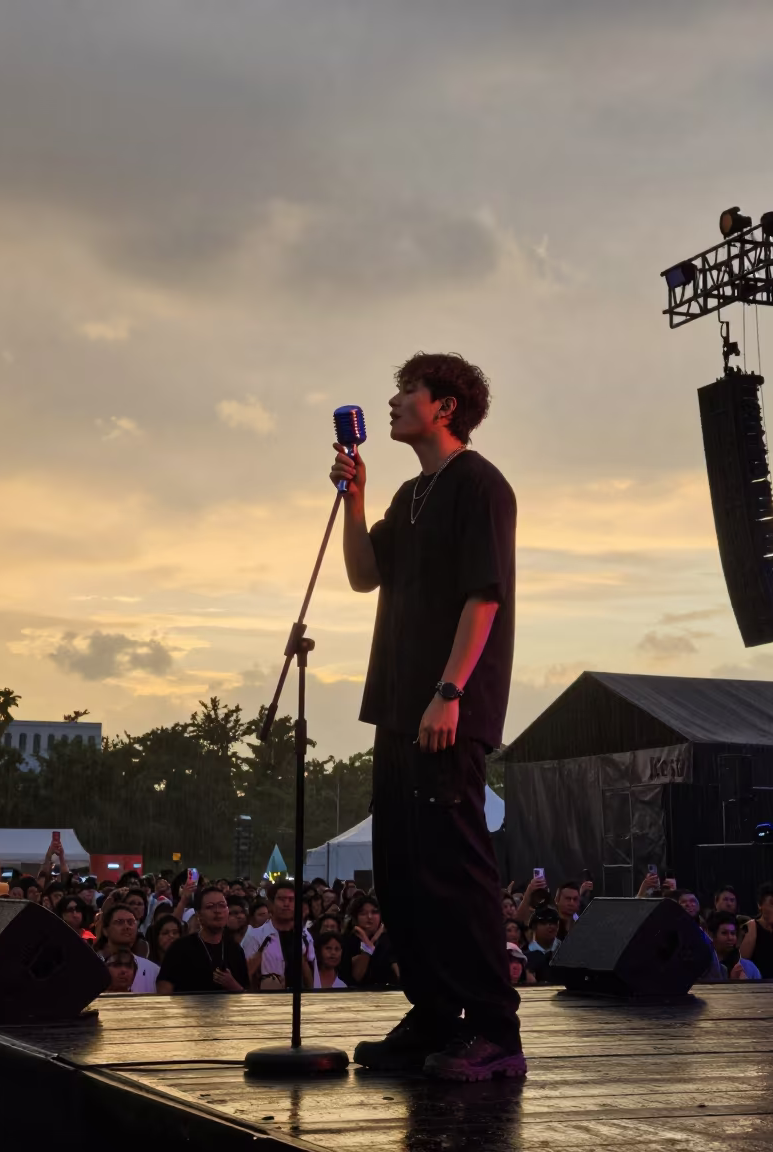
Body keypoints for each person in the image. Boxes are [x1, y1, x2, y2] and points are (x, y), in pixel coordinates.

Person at [333, 351, 524, 1081]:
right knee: (404, 869)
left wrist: (449, 692)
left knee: (454, 868)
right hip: (396, 706)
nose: (393, 402)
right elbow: (361, 574)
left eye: (406, 391)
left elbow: (486, 596)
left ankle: (495, 1030)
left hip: (446, 706)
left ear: (445, 406)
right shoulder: (411, 494)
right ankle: (436, 1012)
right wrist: (355, 500)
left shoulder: (479, 485)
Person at [156, 886, 248, 994]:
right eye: (210, 907)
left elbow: (245, 993)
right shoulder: (180, 948)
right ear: (199, 915)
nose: (217, 911)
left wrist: (232, 985)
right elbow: (164, 989)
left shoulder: (235, 950)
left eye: (222, 906)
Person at [242, 880, 316, 991]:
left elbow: (312, 976)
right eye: (281, 899)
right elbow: (244, 976)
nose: (286, 904)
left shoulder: (305, 937)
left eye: (291, 900)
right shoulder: (255, 936)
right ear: (271, 904)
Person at [96, 905, 161, 993]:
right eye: (119, 922)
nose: (127, 927)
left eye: (131, 922)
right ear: (105, 931)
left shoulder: (153, 970)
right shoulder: (92, 966)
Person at [340, 895, 398, 987]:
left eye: (374, 912)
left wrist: (374, 939)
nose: (370, 917)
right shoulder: (347, 941)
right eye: (363, 913)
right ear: (355, 917)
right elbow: (356, 977)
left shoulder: (389, 940)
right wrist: (367, 947)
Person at [705, 911, 761, 980]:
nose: (730, 938)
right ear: (711, 935)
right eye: (724, 933)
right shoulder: (705, 968)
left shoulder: (748, 967)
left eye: (733, 933)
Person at [525, 906, 561, 983]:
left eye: (553, 922)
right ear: (534, 927)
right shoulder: (524, 954)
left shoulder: (565, 949)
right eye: (544, 922)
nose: (550, 926)